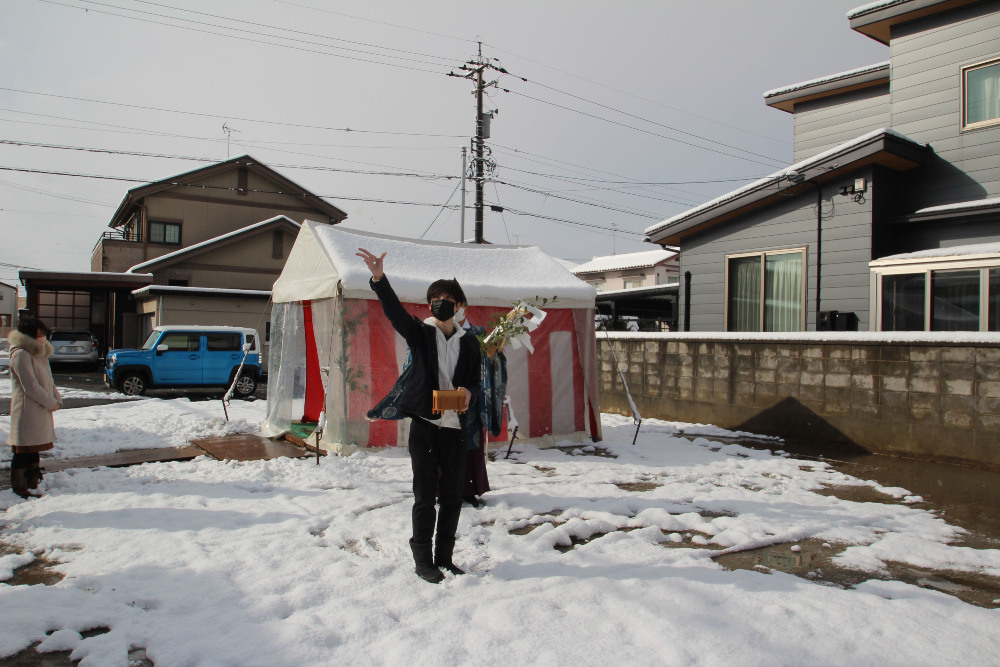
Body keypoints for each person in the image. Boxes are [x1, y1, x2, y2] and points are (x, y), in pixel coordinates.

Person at [357, 247, 482, 584]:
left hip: (455, 429)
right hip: (425, 428)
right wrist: (379, 279)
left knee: (453, 497)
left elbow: (475, 382)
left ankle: (446, 557)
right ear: (430, 305)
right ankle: (423, 559)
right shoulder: (421, 334)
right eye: (436, 298)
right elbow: (395, 314)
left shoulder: (470, 343)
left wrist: (469, 392)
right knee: (425, 497)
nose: (442, 303)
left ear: (459, 306)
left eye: (449, 298)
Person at [6, 318, 61, 499]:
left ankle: (32, 481)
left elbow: (48, 381)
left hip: (40, 409)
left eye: (44, 335)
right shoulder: (21, 354)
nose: (43, 339)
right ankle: (19, 487)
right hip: (27, 410)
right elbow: (30, 386)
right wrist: (50, 402)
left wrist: (56, 398)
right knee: (23, 449)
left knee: (34, 448)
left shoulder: (39, 353)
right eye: (39, 336)